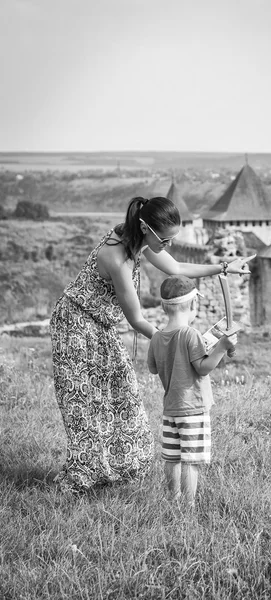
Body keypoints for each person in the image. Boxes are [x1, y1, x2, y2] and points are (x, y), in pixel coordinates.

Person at [50, 196, 253, 494]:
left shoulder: (140, 239)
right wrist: (173, 341)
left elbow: (177, 268)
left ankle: (115, 469)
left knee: (122, 393)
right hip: (76, 325)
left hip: (101, 325)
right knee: (86, 402)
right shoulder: (116, 258)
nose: (169, 245)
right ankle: (86, 473)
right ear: (145, 227)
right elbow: (136, 319)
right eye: (166, 239)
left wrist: (224, 266)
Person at [147, 274, 238, 507]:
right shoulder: (191, 334)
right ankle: (188, 505)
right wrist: (221, 347)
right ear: (194, 305)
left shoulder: (156, 337)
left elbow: (153, 368)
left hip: (170, 409)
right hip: (193, 408)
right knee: (190, 460)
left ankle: (173, 498)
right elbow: (203, 367)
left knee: (172, 457)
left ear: (165, 307)